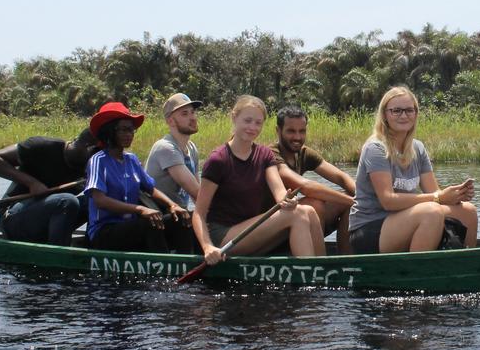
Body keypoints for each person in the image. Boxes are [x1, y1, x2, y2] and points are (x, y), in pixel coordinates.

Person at [193, 95, 324, 265]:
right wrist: (207, 247)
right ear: (234, 117)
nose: (252, 127)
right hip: (223, 238)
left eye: (258, 123)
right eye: (247, 120)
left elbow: (279, 192)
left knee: (308, 211)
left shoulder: (264, 155)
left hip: (252, 229)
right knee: (298, 215)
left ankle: (322, 269)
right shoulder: (218, 160)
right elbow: (198, 213)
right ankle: (309, 275)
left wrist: (286, 200)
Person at [347, 86, 477, 253]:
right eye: (396, 111)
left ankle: (465, 268)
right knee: (431, 212)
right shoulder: (376, 148)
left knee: (468, 211)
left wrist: (456, 195)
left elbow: (434, 192)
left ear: (416, 114)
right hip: (370, 228)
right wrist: (438, 198)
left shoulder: (418, 148)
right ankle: (415, 273)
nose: (403, 115)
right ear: (385, 115)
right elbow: (388, 201)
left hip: (407, 219)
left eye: (409, 110)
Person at [83, 102, 192, 252]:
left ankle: (186, 264)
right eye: (124, 130)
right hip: (105, 232)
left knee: (181, 218)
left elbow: (151, 189)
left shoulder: (132, 160)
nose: (129, 134)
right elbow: (100, 200)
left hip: (131, 228)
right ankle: (163, 270)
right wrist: (140, 209)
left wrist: (172, 205)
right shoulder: (98, 161)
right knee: (149, 222)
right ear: (110, 131)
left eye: (132, 130)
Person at [0, 129, 98, 245]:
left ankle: (92, 245)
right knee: (67, 201)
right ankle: (58, 252)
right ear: (87, 147)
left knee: (96, 201)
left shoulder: (93, 167)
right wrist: (32, 183)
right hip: (13, 217)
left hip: (51, 222)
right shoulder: (43, 146)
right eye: (97, 154)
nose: (98, 160)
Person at [271, 105, 357, 253]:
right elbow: (305, 186)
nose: (297, 137)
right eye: (291, 131)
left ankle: (346, 260)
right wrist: (357, 202)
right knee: (313, 204)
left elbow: (341, 177)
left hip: (295, 218)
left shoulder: (304, 153)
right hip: (274, 224)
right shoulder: (271, 154)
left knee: (349, 200)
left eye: (302, 131)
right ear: (278, 131)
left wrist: (362, 197)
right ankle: (318, 261)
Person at [145, 93, 204, 211]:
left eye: (192, 112)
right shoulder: (166, 148)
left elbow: (197, 196)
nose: (192, 117)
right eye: (185, 114)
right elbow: (196, 192)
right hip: (161, 218)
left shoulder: (191, 148)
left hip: (181, 214)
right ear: (170, 121)